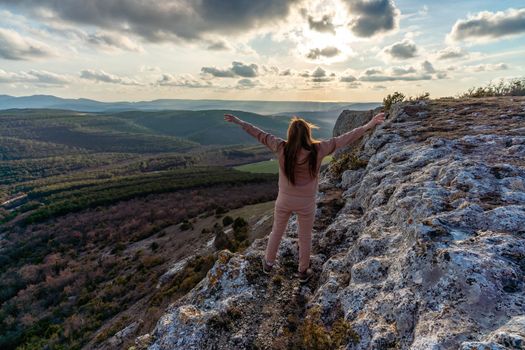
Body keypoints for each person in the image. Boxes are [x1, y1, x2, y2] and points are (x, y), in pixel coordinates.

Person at [224, 112, 385, 283]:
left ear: (290, 134)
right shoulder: (318, 149)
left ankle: (268, 264)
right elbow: (344, 139)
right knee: (305, 236)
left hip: (284, 200)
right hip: (306, 203)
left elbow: (259, 133)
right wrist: (368, 125)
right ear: (308, 133)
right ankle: (302, 272)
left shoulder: (280, 147)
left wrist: (240, 122)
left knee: (277, 231)